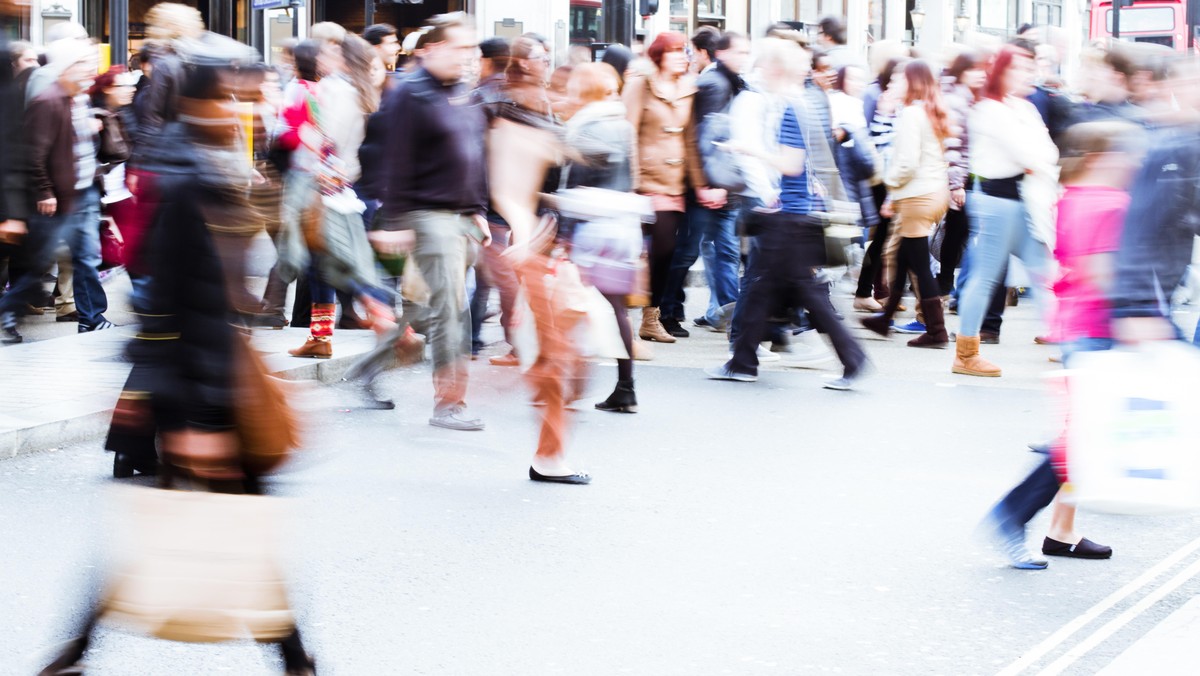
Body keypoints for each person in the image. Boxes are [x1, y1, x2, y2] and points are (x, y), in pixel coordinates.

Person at [41, 35, 318, 674]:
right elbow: (173, 301)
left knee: (191, 520)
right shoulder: (191, 176)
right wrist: (200, 417)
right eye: (240, 98)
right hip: (199, 383)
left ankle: (76, 651)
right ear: (207, 102)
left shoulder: (198, 162)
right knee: (212, 520)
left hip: (196, 376)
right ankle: (295, 658)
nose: (250, 110)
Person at [981, 120, 1143, 569]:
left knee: (1083, 435)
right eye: (1125, 154)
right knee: (1082, 439)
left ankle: (1060, 531)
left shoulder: (1072, 198)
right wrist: (1140, 323)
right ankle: (1013, 514)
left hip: (1078, 326)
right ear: (1100, 159)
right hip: (1099, 329)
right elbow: (1101, 272)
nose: (1134, 162)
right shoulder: (1111, 203)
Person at [705, 38, 868, 389]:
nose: (759, 70)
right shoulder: (807, 102)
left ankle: (853, 359)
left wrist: (749, 150)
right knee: (764, 288)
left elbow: (791, 164)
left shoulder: (793, 107)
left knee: (804, 293)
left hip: (789, 217)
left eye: (763, 65)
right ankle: (743, 360)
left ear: (775, 69)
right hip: (792, 212)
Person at [378, 13, 490, 431]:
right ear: (434, 48)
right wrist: (395, 220)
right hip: (427, 214)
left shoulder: (463, 91)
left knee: (430, 308)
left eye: (471, 48)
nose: (468, 56)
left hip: (461, 215)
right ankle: (449, 404)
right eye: (460, 47)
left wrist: (477, 206)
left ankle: (370, 368)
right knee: (451, 310)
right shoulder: (410, 92)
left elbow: (473, 151)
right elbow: (395, 159)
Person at [953, 45, 1059, 377]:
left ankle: (1068, 345)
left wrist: (1038, 160)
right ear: (1001, 71)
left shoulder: (1021, 108)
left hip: (1020, 200)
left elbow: (1047, 153)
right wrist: (1037, 160)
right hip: (997, 201)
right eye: (1020, 68)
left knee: (1043, 274)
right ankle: (966, 354)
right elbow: (1031, 154)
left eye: (1031, 67)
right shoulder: (989, 110)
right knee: (987, 277)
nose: (1030, 74)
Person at [0, 40, 114, 344]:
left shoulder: (74, 98)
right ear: (66, 66)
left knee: (86, 258)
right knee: (39, 265)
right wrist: (46, 191)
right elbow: (34, 153)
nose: (89, 68)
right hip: (58, 199)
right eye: (82, 63)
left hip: (79, 193)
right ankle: (7, 310)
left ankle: (91, 318)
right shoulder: (49, 100)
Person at [623, 31, 721, 344]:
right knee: (638, 251)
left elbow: (690, 141)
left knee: (665, 251)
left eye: (684, 51)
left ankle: (650, 318)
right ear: (659, 55)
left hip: (673, 185)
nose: (682, 56)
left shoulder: (688, 88)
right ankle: (623, 316)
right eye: (675, 51)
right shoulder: (641, 84)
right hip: (643, 182)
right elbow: (628, 132)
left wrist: (700, 184)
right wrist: (632, 181)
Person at [562, 62, 640, 414]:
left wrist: (562, 234)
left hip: (592, 227)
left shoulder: (580, 128)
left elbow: (575, 182)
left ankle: (571, 385)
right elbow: (632, 175)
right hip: (624, 224)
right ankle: (626, 387)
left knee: (574, 306)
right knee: (617, 309)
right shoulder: (622, 125)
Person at [661, 30, 749, 336]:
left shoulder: (731, 82)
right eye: (740, 52)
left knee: (722, 252)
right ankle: (666, 311)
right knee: (687, 252)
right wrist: (706, 185)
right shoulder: (714, 83)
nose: (745, 58)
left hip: (722, 187)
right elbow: (700, 140)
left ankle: (726, 313)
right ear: (721, 52)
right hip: (707, 186)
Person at [860, 60, 951, 349]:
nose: (891, 85)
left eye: (898, 79)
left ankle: (936, 331)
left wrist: (890, 183)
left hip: (917, 196)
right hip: (933, 193)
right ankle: (884, 318)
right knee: (901, 259)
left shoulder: (912, 113)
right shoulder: (932, 110)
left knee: (920, 265)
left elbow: (907, 163)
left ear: (911, 82)